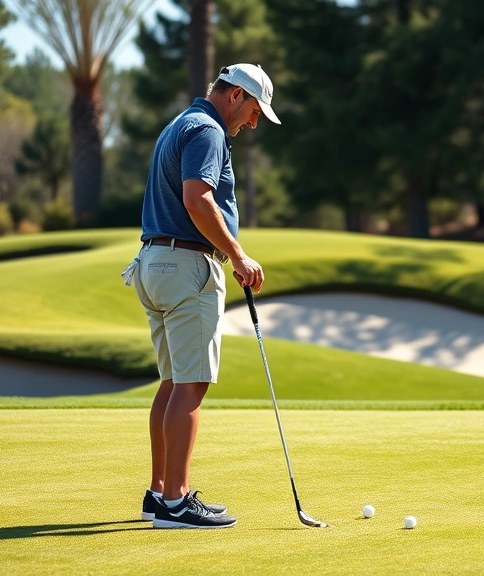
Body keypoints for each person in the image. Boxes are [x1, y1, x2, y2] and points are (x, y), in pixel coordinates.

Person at [121, 63, 280, 529]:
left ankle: (158, 494)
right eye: (253, 111)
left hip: (154, 262)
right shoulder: (209, 131)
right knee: (191, 384)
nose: (252, 123)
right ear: (235, 96)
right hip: (187, 265)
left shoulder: (179, 123)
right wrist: (237, 255)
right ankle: (176, 502)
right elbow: (197, 199)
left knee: (173, 382)